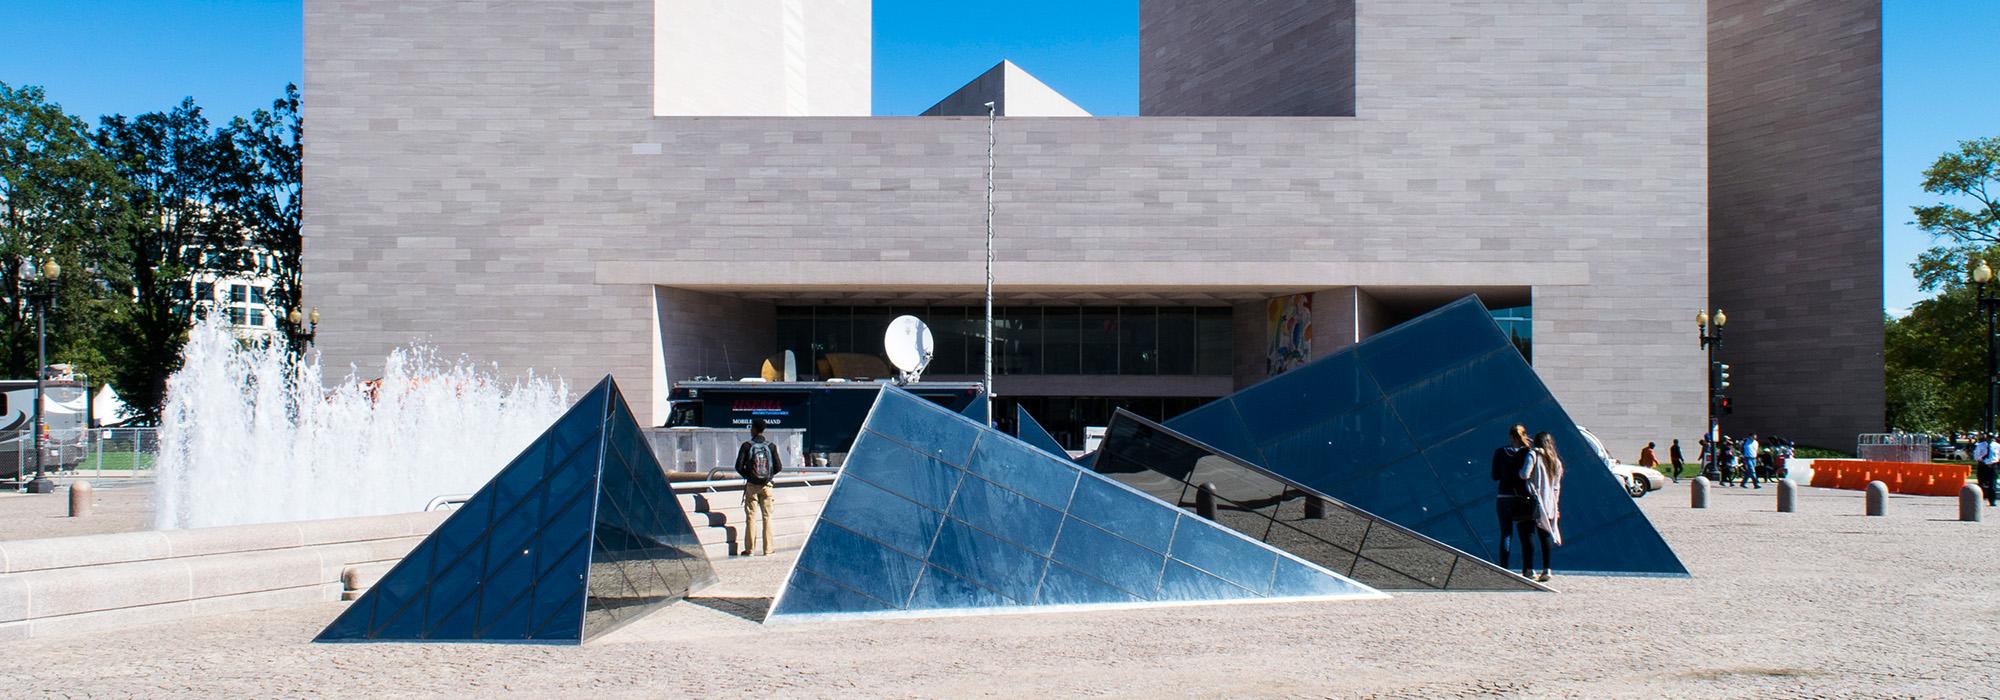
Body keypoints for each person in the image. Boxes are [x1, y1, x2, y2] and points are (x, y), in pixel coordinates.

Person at [1490, 424, 1539, 579]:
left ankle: (1504, 568)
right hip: (1521, 498)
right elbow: (1528, 474)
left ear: (1510, 437)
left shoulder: (1499, 452)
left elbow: (1494, 476)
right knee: (1526, 535)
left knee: (1506, 534)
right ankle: (1528, 569)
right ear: (1524, 435)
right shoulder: (1528, 453)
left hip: (1503, 497)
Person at [734, 418, 784, 556]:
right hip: (767, 486)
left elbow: (738, 466)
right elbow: (779, 467)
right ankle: (768, 549)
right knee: (767, 517)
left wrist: (749, 476)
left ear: (755, 429)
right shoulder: (771, 446)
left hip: (752, 486)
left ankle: (750, 549)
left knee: (751, 517)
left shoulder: (746, 445)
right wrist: (768, 477)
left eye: (752, 428)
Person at [1527, 431, 1565, 582]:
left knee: (1529, 534)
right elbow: (1557, 487)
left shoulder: (1534, 455)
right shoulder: (1556, 461)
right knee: (1545, 535)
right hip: (1550, 503)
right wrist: (1556, 506)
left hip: (1534, 500)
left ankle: (1529, 569)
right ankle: (1547, 569)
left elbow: (1524, 474)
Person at [1976, 433, 2000, 508]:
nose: (1990, 439)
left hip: (1993, 466)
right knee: (1981, 483)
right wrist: (1982, 460)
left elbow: (1998, 456)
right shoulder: (1980, 445)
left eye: (1991, 437)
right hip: (1983, 466)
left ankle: (1992, 501)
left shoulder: (1997, 446)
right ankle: (1978, 500)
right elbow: (1976, 455)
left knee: (1993, 484)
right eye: (1988, 437)